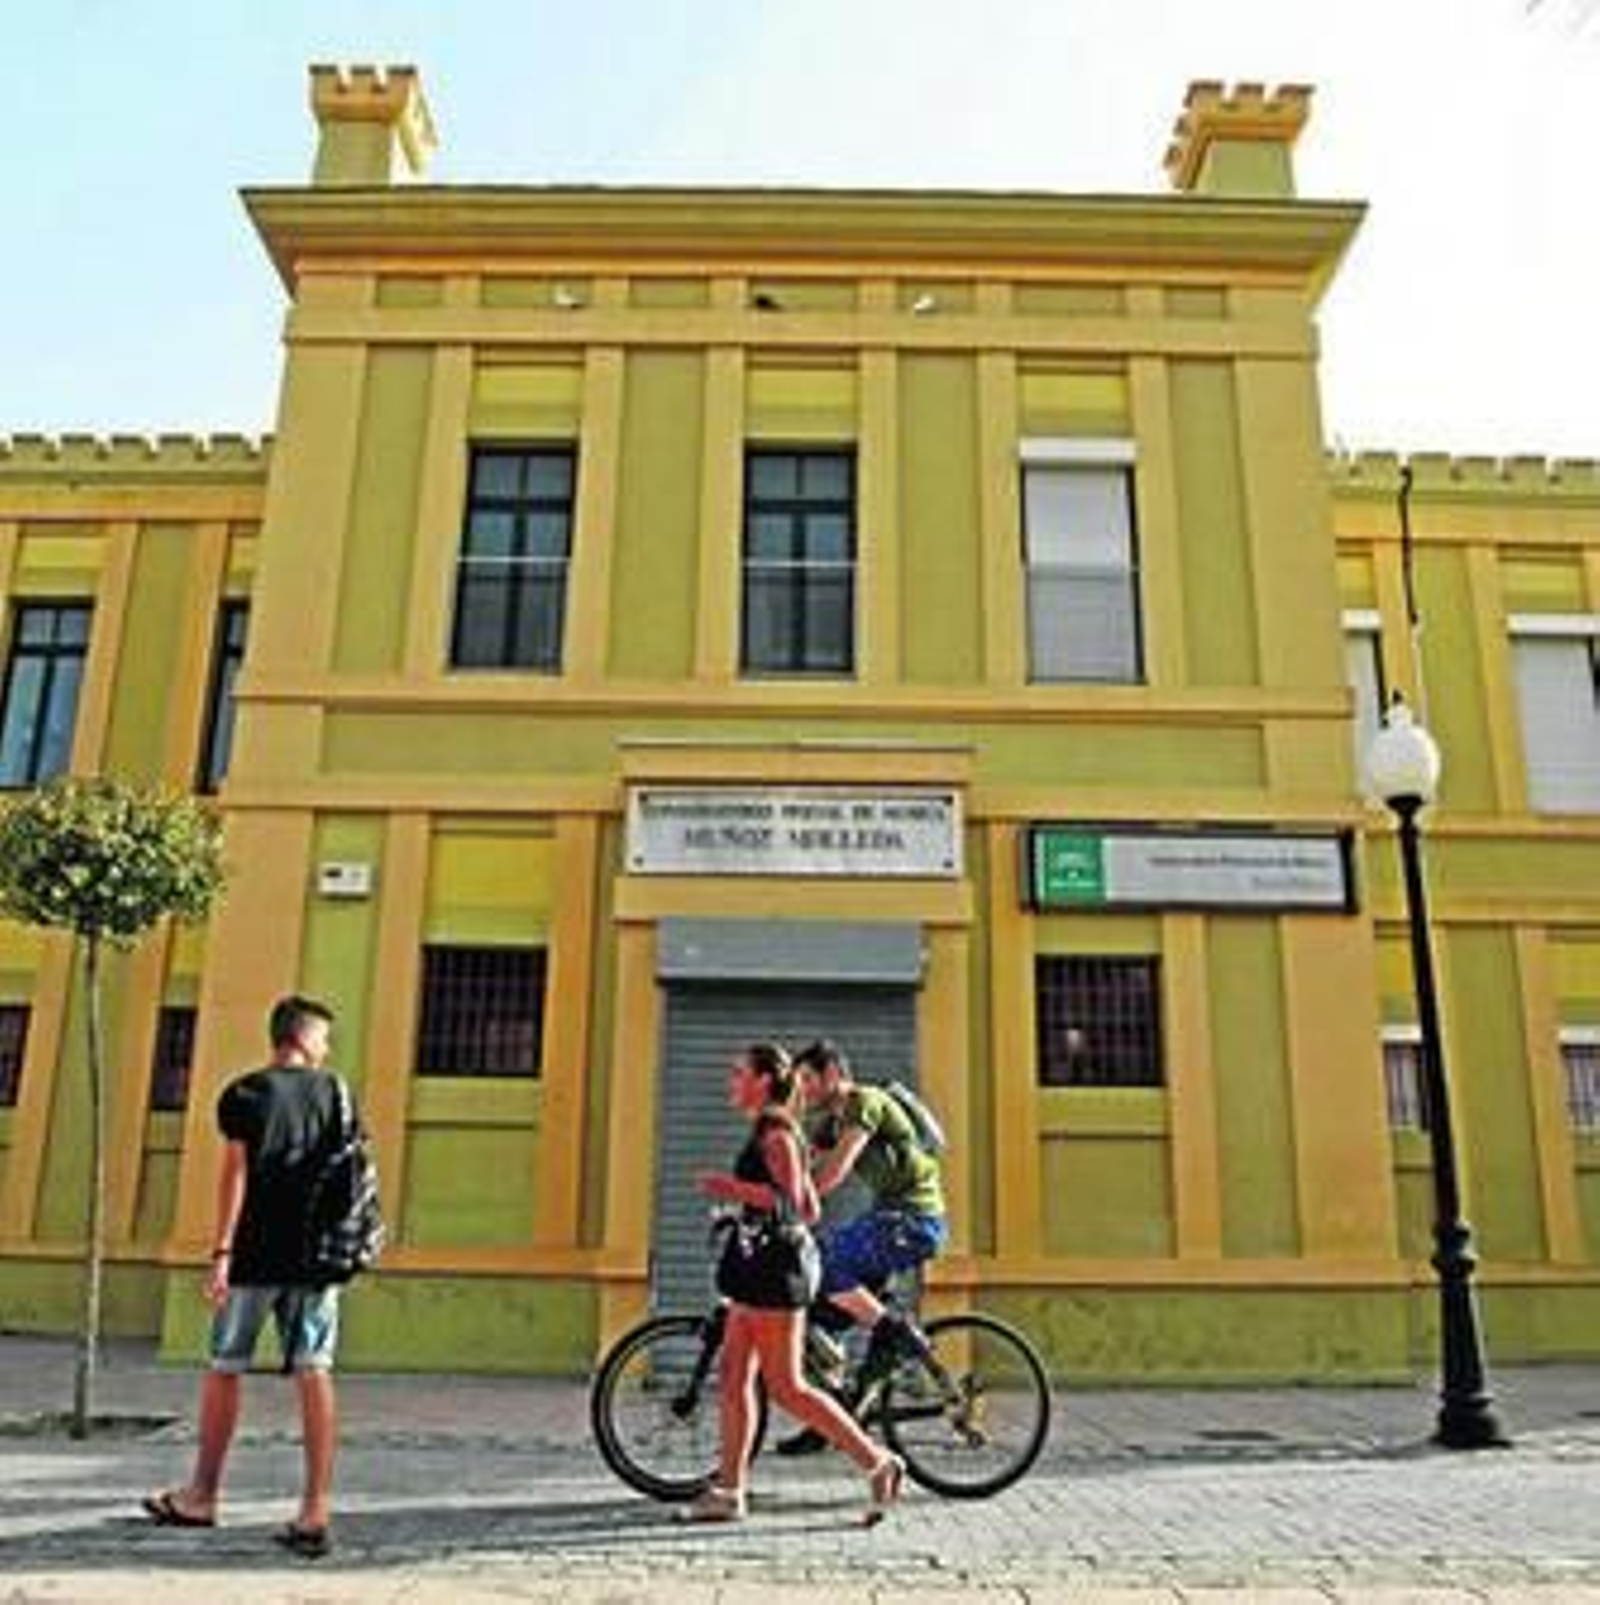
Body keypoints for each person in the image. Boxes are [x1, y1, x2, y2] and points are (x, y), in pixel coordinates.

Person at [142, 994, 359, 1559]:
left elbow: (234, 1177)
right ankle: (314, 1508)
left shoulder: (245, 1094)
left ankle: (203, 1495)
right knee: (315, 1370)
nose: (327, 1048)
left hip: (255, 1256)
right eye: (325, 1039)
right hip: (317, 1260)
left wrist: (221, 1252)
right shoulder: (336, 1093)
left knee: (225, 1367)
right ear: (306, 1039)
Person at [681, 1040, 905, 1525]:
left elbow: (803, 1207)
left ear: (763, 1081)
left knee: (787, 1387)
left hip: (776, 1271)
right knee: (735, 1377)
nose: (731, 1081)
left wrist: (731, 1188)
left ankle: (877, 1462)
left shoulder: (777, 1130)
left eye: (739, 1072)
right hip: (754, 1268)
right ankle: (729, 1490)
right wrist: (737, 1204)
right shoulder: (769, 1126)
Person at [779, 1038, 947, 1456]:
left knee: (828, 1263)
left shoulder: (864, 1102)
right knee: (810, 1315)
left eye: (807, 1080)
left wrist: (792, 1204)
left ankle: (896, 1331)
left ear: (833, 1074)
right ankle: (834, 1417)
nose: (803, 1090)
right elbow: (802, 1167)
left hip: (913, 1219)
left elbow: (833, 1171)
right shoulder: (827, 1121)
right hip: (886, 1220)